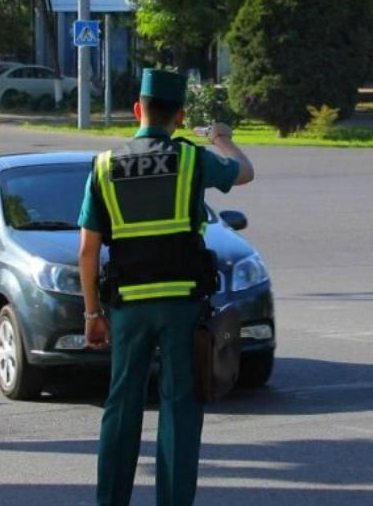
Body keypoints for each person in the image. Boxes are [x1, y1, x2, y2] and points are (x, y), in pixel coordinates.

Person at [78, 68, 255, 506]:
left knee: (122, 405)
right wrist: (220, 136)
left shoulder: (104, 165)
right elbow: (246, 172)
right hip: (181, 305)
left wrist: (92, 313)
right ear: (179, 116)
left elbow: (86, 251)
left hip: (128, 307)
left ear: (136, 110)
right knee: (179, 408)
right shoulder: (193, 158)